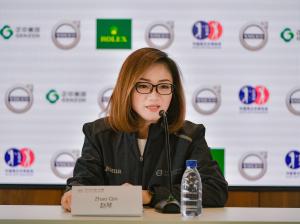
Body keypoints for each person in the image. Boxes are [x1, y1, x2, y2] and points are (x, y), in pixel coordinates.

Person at [61, 47, 228, 212]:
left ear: (173, 92)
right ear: (126, 89)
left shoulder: (190, 135)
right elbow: (82, 183)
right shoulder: (98, 133)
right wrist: (72, 194)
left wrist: (149, 195)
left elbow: (216, 191)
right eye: (143, 85)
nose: (154, 96)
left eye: (163, 86)